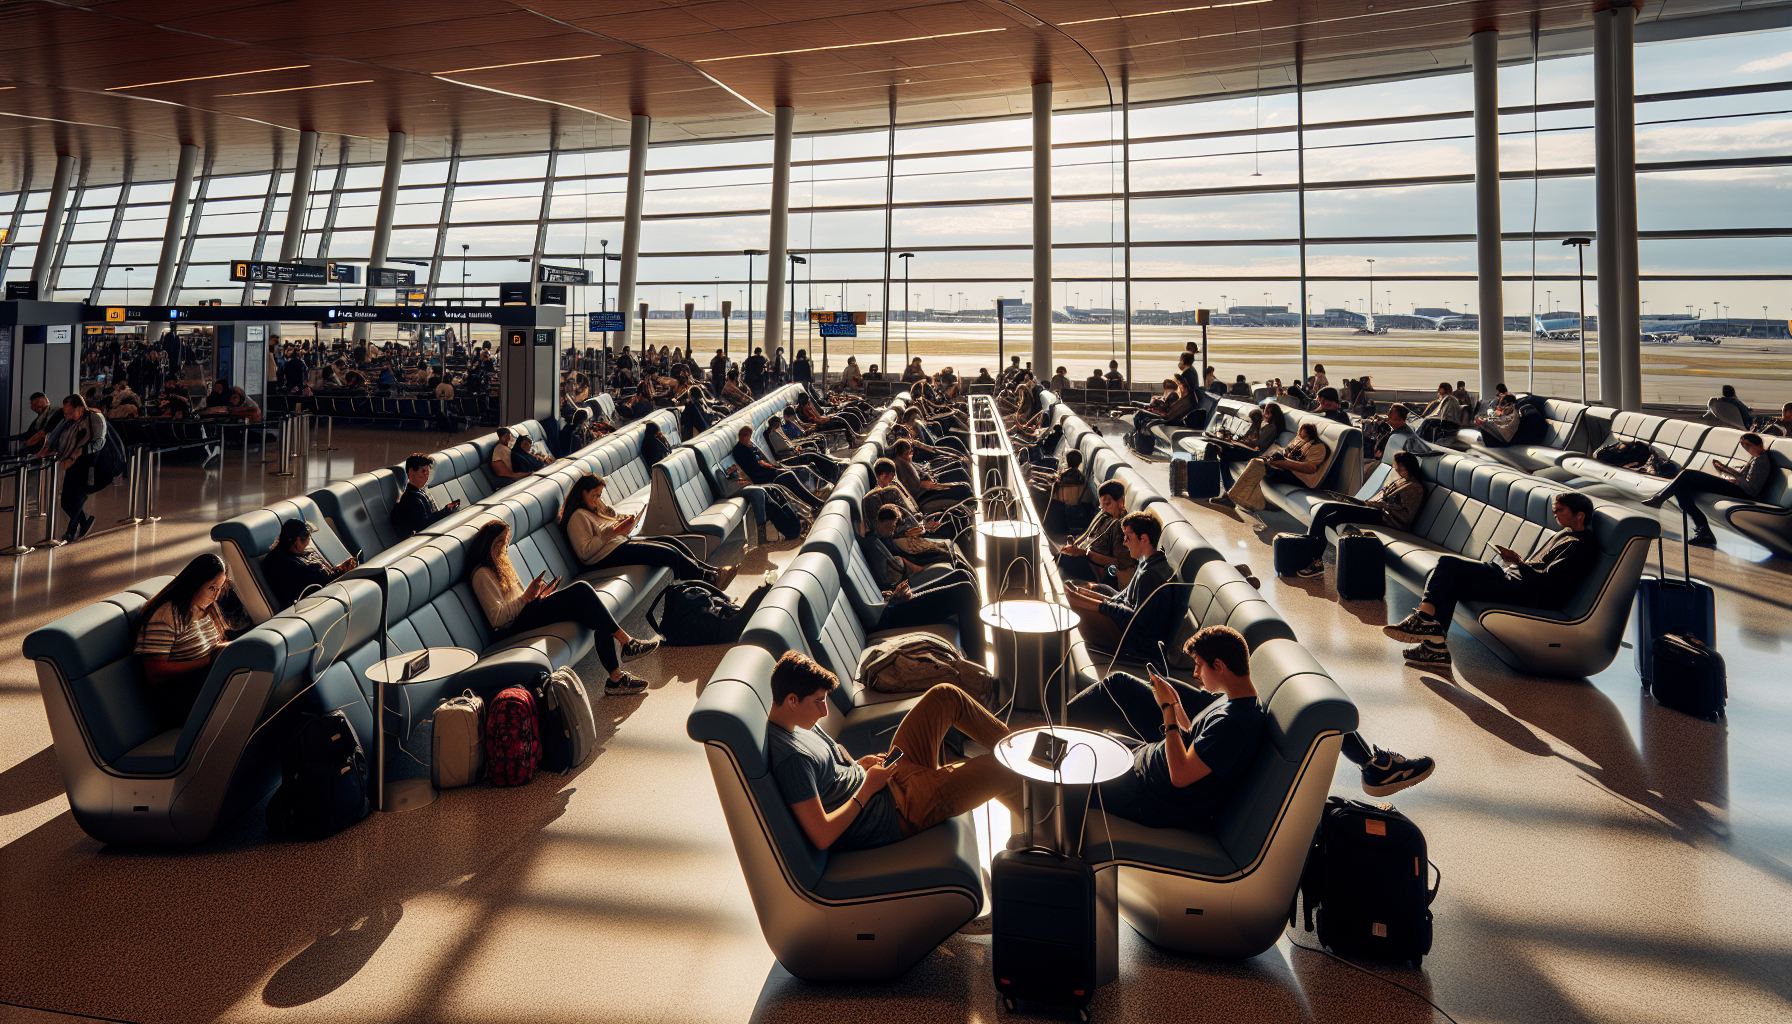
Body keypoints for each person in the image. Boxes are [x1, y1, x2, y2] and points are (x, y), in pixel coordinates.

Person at [1069, 626, 1435, 811]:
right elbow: (1201, 745)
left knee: (1059, 768)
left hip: (1150, 789)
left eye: (1198, 667)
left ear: (1220, 666)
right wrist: (1178, 709)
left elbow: (1182, 775)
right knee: (1077, 746)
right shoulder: (1234, 703)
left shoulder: (1234, 721)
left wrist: (1166, 710)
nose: (1194, 674)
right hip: (1147, 763)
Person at [765, 652, 1022, 852]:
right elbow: (822, 835)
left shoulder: (797, 724)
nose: (824, 712)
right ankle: (1045, 820)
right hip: (901, 807)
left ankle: (1020, 748)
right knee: (1007, 767)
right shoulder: (792, 759)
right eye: (819, 702)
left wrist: (859, 765)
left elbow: (831, 777)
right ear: (791, 700)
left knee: (945, 695)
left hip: (890, 776)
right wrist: (868, 788)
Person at [1385, 491, 1599, 667]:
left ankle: (1426, 627)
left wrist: (1519, 564)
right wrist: (1517, 562)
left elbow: (1548, 582)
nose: (1554, 514)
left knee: (1449, 567)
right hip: (1516, 579)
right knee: (1448, 570)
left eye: (1559, 510)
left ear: (1579, 515)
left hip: (1530, 593)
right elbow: (1540, 568)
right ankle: (1432, 644)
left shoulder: (1580, 546)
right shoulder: (1565, 534)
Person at [468, 519, 656, 695]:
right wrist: (526, 598)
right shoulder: (482, 575)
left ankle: (616, 679)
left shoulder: (500, 568)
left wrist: (534, 596)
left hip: (526, 613)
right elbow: (497, 618)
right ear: (487, 544)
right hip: (514, 627)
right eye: (500, 541)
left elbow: (516, 601)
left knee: (594, 614)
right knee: (582, 589)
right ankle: (626, 642)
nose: (504, 547)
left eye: (506, 541)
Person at [1280, 450, 1426, 580]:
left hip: (1386, 518)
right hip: (1377, 511)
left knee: (1325, 508)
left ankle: (1312, 558)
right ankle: (1315, 558)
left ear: (1406, 466)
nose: (1397, 470)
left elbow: (1405, 516)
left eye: (1399, 467)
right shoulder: (1401, 482)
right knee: (1331, 518)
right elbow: (1383, 498)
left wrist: (1374, 505)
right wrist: (1366, 503)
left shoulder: (1415, 488)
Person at [560, 474, 726, 585]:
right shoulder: (577, 517)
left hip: (617, 546)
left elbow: (610, 520)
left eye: (599, 495)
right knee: (666, 553)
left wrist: (621, 518)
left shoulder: (593, 508)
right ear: (583, 493)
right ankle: (707, 579)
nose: (598, 499)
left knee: (671, 542)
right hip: (604, 557)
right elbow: (585, 553)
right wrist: (612, 532)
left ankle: (709, 570)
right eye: (595, 495)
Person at [135, 554, 233, 731]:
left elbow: (207, 648)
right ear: (195, 584)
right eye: (212, 588)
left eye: (219, 588)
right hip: (177, 697)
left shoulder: (204, 609)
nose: (216, 595)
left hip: (200, 683)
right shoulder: (167, 615)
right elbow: (154, 673)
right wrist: (207, 661)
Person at [1064, 511, 1177, 661]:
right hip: (1128, 630)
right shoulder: (1147, 563)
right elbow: (1123, 598)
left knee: (1071, 609)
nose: (1124, 542)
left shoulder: (1150, 576)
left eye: (1128, 537)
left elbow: (1136, 621)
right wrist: (1093, 597)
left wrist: (1095, 605)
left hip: (1136, 645)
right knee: (1079, 592)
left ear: (1143, 539)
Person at [1641, 432, 1773, 545]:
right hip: (1738, 488)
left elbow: (1751, 489)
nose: (1745, 448)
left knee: (1687, 475)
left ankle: (1661, 499)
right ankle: (1703, 531)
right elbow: (1745, 480)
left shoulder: (1761, 461)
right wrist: (1728, 472)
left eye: (1747, 445)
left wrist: (1733, 475)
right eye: (1743, 445)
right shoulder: (1756, 458)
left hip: (1744, 493)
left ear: (1759, 445)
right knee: (1683, 486)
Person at [1213, 421, 1329, 514]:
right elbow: (1287, 453)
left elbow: (1310, 468)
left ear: (1311, 436)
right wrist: (1278, 457)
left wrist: (1284, 462)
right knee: (1257, 462)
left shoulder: (1318, 447)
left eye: (1304, 437)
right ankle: (1244, 499)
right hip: (1285, 469)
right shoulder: (1299, 441)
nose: (1300, 439)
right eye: (1300, 436)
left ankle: (1239, 499)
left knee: (1258, 464)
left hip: (1297, 477)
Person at [39, 393, 108, 544]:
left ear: (79, 408)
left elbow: (99, 442)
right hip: (71, 463)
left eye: (69, 412)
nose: (66, 415)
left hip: (87, 463)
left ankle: (70, 531)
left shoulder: (95, 418)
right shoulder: (68, 421)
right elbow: (54, 438)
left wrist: (78, 453)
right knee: (65, 501)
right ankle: (84, 522)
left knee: (77, 498)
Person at [263, 518, 358, 609]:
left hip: (310, 597)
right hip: (305, 605)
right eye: (307, 537)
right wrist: (339, 571)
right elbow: (315, 581)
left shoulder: (282, 554)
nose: (308, 540)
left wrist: (339, 569)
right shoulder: (284, 563)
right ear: (298, 540)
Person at [1057, 480, 1138, 586]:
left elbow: (1120, 563)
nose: (1104, 508)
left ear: (1121, 501)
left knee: (1064, 564)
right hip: (1085, 561)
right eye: (1102, 504)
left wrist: (1086, 554)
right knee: (1060, 556)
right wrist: (1073, 547)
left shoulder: (1122, 527)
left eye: (1108, 503)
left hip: (1100, 573)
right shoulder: (1104, 515)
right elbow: (1087, 534)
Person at [732, 425, 827, 511]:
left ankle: (812, 501)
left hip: (763, 474)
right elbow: (756, 468)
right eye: (749, 438)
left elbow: (757, 463)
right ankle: (813, 501)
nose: (750, 440)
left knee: (792, 473)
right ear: (744, 437)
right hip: (761, 477)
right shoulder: (742, 450)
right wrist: (774, 469)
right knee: (789, 475)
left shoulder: (741, 448)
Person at [891, 438, 971, 513]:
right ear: (899, 454)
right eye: (908, 453)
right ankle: (971, 505)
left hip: (929, 483)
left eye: (911, 451)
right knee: (964, 488)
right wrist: (940, 486)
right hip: (924, 494)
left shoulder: (905, 461)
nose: (911, 454)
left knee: (959, 471)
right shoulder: (901, 467)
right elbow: (917, 486)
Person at [391, 454, 461, 538]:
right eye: (423, 472)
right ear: (411, 471)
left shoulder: (419, 493)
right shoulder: (410, 498)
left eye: (427, 473)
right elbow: (421, 524)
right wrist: (445, 512)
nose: (426, 476)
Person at [765, 414, 842, 482]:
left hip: (791, 452)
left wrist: (795, 447)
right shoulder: (773, 435)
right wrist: (795, 449)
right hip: (788, 456)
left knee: (812, 452)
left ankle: (832, 466)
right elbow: (783, 449)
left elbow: (787, 445)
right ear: (777, 424)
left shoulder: (776, 433)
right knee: (812, 455)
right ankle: (833, 471)